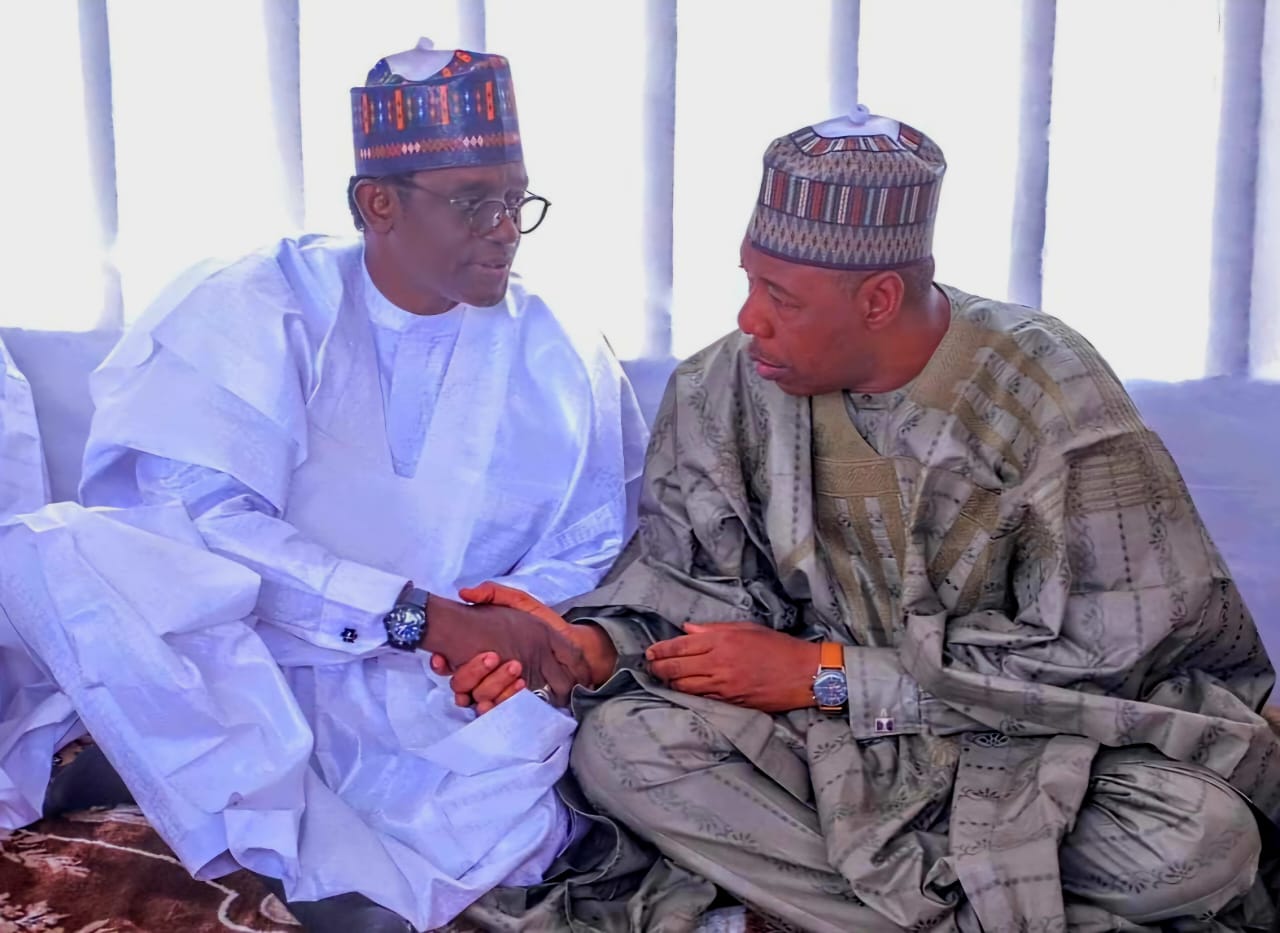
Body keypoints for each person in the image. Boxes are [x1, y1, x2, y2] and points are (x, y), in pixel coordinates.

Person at [457, 108, 1280, 931]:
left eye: (781, 296)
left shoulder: (1048, 390)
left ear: (881, 297)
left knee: (1204, 839)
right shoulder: (721, 389)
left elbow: (1108, 654)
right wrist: (599, 646)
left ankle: (823, 909)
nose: (751, 318)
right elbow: (694, 589)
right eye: (749, 282)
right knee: (621, 748)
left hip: (1032, 756)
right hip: (818, 752)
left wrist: (832, 673)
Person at [11, 37, 647, 932]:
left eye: (515, 200)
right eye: (474, 202)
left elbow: (590, 535)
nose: (504, 227)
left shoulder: (560, 347)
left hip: (438, 684)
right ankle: (199, 771)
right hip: (251, 652)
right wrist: (413, 609)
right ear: (376, 203)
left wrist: (504, 636)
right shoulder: (260, 301)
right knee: (57, 551)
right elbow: (195, 519)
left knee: (514, 793)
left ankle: (247, 812)